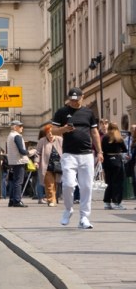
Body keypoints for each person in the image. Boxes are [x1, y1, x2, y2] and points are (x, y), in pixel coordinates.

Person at [51, 87, 101, 229]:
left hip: (87, 154)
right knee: (68, 184)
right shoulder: (62, 112)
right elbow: (53, 130)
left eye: (77, 100)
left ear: (82, 97)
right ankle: (68, 210)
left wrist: (100, 152)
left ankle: (84, 217)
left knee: (87, 186)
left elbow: (94, 132)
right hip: (69, 154)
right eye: (72, 100)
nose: (74, 102)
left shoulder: (88, 112)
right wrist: (64, 129)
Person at [102, 121, 127, 210]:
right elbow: (124, 149)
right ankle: (117, 202)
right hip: (117, 160)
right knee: (117, 182)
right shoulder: (119, 138)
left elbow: (102, 149)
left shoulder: (105, 138)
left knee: (109, 182)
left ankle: (107, 202)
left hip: (107, 160)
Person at [36, 123, 62, 206]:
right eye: (48, 132)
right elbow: (38, 153)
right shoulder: (42, 141)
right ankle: (51, 201)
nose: (50, 134)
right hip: (46, 165)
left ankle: (53, 199)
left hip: (58, 166)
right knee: (49, 183)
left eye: (51, 132)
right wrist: (36, 162)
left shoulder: (60, 139)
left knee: (56, 183)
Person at [4, 119, 28, 207]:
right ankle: (17, 201)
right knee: (18, 182)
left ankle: (11, 200)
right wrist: (30, 152)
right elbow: (22, 151)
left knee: (13, 182)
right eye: (20, 126)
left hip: (12, 161)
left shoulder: (10, 136)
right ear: (15, 127)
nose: (22, 128)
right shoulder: (17, 136)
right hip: (19, 161)